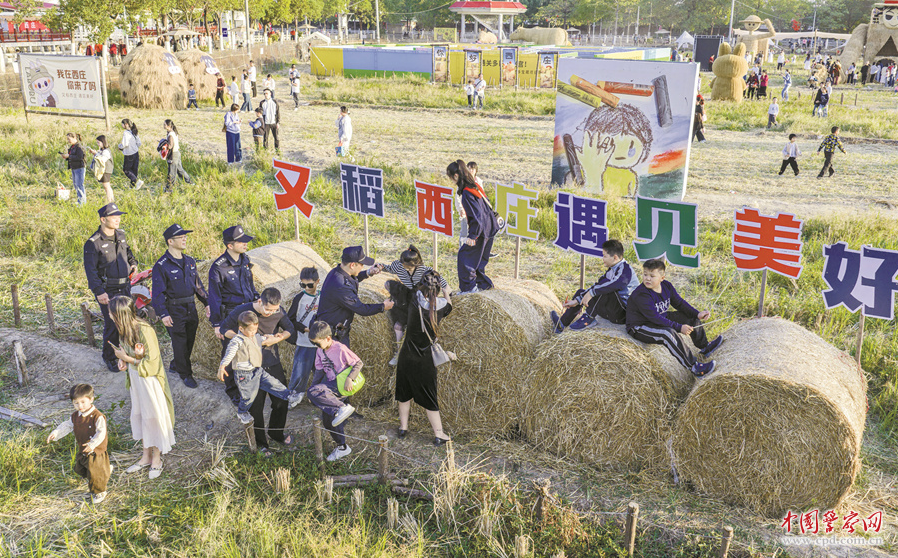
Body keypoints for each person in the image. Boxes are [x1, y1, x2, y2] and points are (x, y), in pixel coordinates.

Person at [219, 288, 297, 454]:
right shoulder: (243, 311)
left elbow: (290, 330)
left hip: (272, 361)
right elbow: (224, 329)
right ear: (260, 302)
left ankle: (276, 433)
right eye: (267, 309)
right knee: (256, 406)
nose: (270, 313)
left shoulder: (278, 311)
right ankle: (261, 443)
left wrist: (278, 338)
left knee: (281, 400)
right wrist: (248, 341)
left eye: (274, 310)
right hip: (250, 366)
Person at [108, 296, 175, 480]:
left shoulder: (145, 330)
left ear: (119, 314)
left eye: (111, 312)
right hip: (136, 379)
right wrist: (123, 360)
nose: (109, 315)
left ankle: (157, 459)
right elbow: (128, 353)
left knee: (152, 416)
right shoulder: (124, 328)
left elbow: (152, 363)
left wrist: (128, 359)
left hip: (149, 381)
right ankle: (145, 456)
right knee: (141, 416)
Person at [626, 259, 723, 377]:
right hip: (641, 326)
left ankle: (705, 347)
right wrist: (679, 327)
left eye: (652, 276)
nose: (647, 278)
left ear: (662, 278)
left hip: (660, 317)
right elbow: (654, 318)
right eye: (645, 274)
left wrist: (697, 314)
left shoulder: (667, 286)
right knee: (668, 334)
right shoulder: (641, 294)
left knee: (690, 317)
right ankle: (694, 367)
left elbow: (679, 303)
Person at [395, 271, 453, 445]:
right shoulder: (441, 306)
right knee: (429, 395)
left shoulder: (414, 299)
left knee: (404, 392)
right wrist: (446, 292)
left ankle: (403, 428)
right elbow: (449, 304)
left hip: (406, 355)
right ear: (436, 289)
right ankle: (439, 434)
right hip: (424, 358)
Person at [218, 311, 303, 424]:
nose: (253, 332)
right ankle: (242, 412)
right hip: (244, 374)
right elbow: (229, 354)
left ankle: (289, 396)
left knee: (274, 383)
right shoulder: (237, 340)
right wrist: (222, 366)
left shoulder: (255, 336)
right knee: (249, 396)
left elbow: (263, 339)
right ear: (241, 329)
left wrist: (275, 336)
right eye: (251, 330)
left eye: (255, 329)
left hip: (257, 369)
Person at [151, 224, 209, 389]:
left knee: (190, 341)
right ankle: (186, 374)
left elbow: (198, 286)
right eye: (181, 237)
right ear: (170, 241)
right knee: (180, 343)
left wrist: (207, 303)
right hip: (174, 310)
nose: (184, 239)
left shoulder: (190, 261)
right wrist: (163, 313)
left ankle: (177, 364)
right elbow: (157, 293)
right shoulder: (161, 265)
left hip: (190, 307)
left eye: (185, 236)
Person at [84, 203, 138, 372]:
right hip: (108, 291)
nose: (118, 220)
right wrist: (99, 291)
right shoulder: (93, 243)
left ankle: (126, 353)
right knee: (113, 324)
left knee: (128, 322)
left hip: (125, 287)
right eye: (114, 217)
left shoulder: (121, 235)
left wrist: (133, 263)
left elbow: (128, 253)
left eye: (119, 216)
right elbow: (90, 270)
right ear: (103, 219)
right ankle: (109, 356)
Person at [208, 225, 259, 403]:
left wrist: (257, 300)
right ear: (230, 245)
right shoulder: (218, 267)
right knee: (231, 351)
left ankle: (249, 384)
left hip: (248, 311)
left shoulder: (245, 260)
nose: (246, 243)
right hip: (231, 314)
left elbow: (250, 286)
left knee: (250, 348)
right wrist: (217, 324)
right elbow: (214, 298)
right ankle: (232, 390)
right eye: (241, 241)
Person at [381, 245, 451, 366]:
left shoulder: (426, 272)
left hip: (422, 300)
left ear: (416, 265)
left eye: (408, 267)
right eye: (403, 265)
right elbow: (388, 268)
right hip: (408, 296)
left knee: (416, 328)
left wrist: (440, 298)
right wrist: (379, 267)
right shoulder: (398, 266)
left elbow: (446, 286)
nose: (405, 268)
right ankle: (398, 353)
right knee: (398, 325)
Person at [550, 239, 638, 333]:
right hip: (611, 310)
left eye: (604, 256)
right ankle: (561, 324)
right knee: (583, 291)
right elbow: (598, 285)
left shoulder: (625, 269)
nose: (602, 259)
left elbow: (616, 284)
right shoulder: (611, 270)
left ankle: (588, 318)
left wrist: (592, 293)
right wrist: (577, 300)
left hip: (623, 314)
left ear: (615, 257)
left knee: (604, 290)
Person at [307, 321, 363, 461]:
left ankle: (342, 407)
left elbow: (358, 363)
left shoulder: (340, 348)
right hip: (331, 384)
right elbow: (319, 371)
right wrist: (314, 390)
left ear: (327, 338)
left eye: (317, 343)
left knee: (314, 392)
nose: (316, 346)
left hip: (342, 383)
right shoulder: (320, 351)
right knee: (328, 421)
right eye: (314, 343)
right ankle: (342, 447)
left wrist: (350, 378)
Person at [317, 246, 392, 349]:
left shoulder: (337, 272)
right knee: (342, 364)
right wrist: (383, 306)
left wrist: (368, 273)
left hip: (334, 330)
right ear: (352, 265)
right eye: (362, 264)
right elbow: (362, 309)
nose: (362, 267)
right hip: (332, 338)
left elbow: (350, 280)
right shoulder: (340, 286)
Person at [47, 384, 111, 504]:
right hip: (84, 448)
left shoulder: (97, 416)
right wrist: (56, 433)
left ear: (91, 399)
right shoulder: (76, 416)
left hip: (95, 451)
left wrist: (92, 444)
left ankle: (99, 491)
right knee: (80, 468)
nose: (80, 406)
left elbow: (101, 433)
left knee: (94, 472)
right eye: (76, 403)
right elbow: (67, 425)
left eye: (83, 402)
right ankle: (105, 471)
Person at [447, 160, 499, 294]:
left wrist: (472, 236)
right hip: (490, 227)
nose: (451, 180)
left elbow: (477, 216)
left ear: (456, 176)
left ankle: (469, 290)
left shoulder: (466, 193)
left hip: (481, 230)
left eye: (450, 176)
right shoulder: (474, 186)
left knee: (465, 258)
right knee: (479, 261)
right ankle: (485, 287)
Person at [286, 267, 321, 394]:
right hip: (304, 341)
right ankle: (294, 395)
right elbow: (290, 319)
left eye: (310, 285)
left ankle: (320, 396)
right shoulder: (299, 298)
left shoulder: (323, 296)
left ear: (318, 281)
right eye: (303, 285)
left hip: (320, 343)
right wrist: (305, 329)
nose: (306, 288)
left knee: (320, 372)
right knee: (300, 373)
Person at [163, 119, 192, 192]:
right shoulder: (173, 132)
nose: (163, 126)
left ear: (169, 126)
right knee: (180, 170)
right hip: (177, 153)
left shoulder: (170, 135)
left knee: (171, 172)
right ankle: (189, 182)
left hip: (173, 155)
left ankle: (169, 189)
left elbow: (170, 146)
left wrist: (164, 144)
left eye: (165, 125)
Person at [87, 135, 115, 203]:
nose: (98, 144)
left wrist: (96, 154)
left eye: (98, 142)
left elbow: (102, 159)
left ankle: (110, 201)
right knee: (107, 185)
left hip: (106, 170)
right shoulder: (102, 150)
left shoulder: (106, 151)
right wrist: (95, 153)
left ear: (103, 142)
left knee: (106, 186)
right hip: (105, 170)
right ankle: (111, 200)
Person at [61, 132, 86, 205]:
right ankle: (80, 201)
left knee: (79, 185)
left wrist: (69, 156)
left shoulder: (79, 147)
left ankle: (82, 203)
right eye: (67, 139)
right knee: (76, 185)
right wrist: (66, 157)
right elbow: (72, 156)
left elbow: (79, 157)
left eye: (69, 139)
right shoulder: (72, 147)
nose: (68, 140)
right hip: (74, 167)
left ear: (74, 138)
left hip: (79, 168)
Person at [118, 119, 143, 190]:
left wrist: (120, 146)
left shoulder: (126, 133)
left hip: (129, 154)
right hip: (136, 153)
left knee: (126, 170)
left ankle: (137, 181)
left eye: (122, 124)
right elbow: (139, 143)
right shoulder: (134, 131)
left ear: (126, 124)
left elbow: (124, 144)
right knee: (134, 170)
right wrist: (134, 147)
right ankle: (132, 187)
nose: (122, 126)